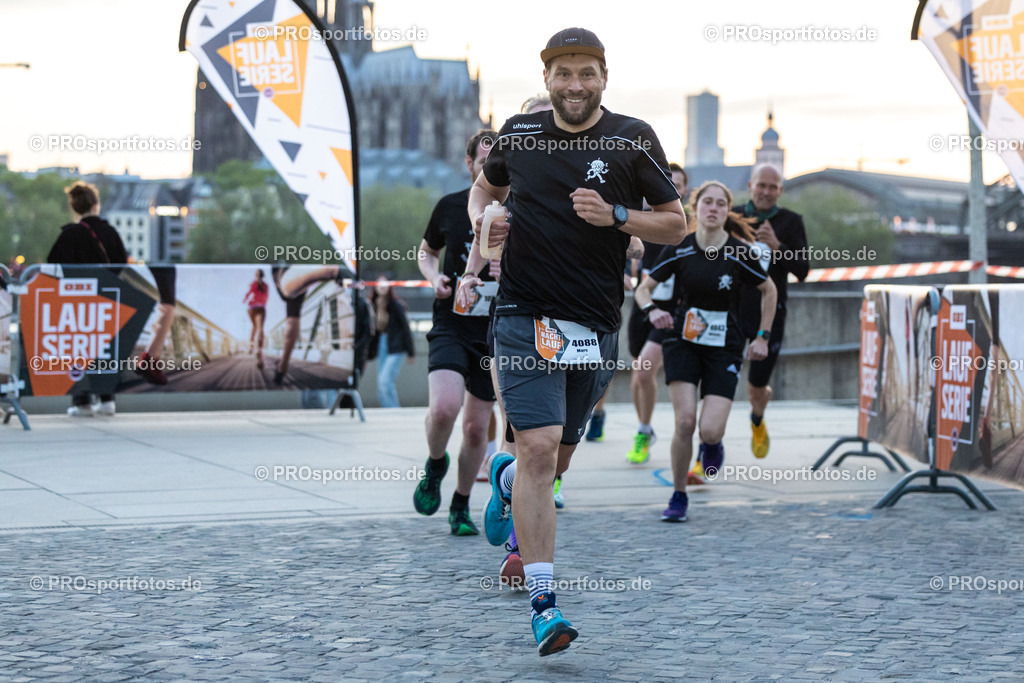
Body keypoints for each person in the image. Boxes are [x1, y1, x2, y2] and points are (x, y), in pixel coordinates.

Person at [458, 28, 685, 656]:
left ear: (604, 77)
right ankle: (544, 604)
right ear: (548, 79)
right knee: (535, 447)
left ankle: (505, 480)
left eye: (587, 73)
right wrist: (484, 220)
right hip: (523, 315)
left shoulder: (632, 138)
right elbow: (485, 189)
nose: (575, 85)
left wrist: (617, 216)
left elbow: (675, 222)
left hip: (594, 326)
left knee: (553, 462)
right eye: (563, 73)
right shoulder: (519, 135)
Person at [635, 181, 777, 523]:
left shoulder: (740, 252)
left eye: (720, 204)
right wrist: (652, 310)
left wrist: (762, 337)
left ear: (727, 211)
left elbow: (769, 290)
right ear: (695, 208)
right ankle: (678, 495)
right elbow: (643, 289)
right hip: (682, 343)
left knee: (710, 430)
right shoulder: (680, 248)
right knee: (685, 422)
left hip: (724, 348)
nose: (713, 208)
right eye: (707, 202)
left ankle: (712, 446)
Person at [412, 129, 498, 536]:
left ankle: (461, 504)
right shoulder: (449, 206)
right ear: (469, 164)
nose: (491, 170)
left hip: (495, 331)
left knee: (476, 428)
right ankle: (435, 463)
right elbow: (426, 251)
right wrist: (434, 278)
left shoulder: (518, 211)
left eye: (498, 164)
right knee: (445, 408)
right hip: (451, 322)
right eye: (483, 163)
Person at [736, 164, 809, 458]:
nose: (765, 192)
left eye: (772, 187)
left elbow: (803, 270)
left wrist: (778, 246)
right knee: (719, 382)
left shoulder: (791, 221)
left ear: (780, 190)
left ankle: (757, 418)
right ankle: (709, 443)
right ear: (751, 186)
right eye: (761, 185)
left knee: (757, 385)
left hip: (770, 316)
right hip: (732, 311)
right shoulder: (733, 216)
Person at [625, 162, 694, 465]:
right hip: (642, 304)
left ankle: (642, 432)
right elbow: (628, 253)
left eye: (677, 185)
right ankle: (646, 427)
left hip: (670, 311)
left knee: (643, 370)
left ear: (685, 191)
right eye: (668, 182)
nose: (672, 188)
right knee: (639, 376)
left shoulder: (687, 226)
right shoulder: (641, 218)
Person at [47, 181, 128, 417]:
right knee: (106, 345)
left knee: (79, 347)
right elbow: (122, 263)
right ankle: (107, 399)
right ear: (96, 205)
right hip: (107, 299)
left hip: (78, 302)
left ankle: (82, 401)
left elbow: (53, 264)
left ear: (75, 207)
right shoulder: (110, 232)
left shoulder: (70, 234)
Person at [367, 274, 415, 407]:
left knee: (385, 381)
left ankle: (394, 411)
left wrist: (411, 352)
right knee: (381, 384)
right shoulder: (372, 305)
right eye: (379, 284)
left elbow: (406, 329)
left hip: (395, 347)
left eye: (385, 284)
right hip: (381, 346)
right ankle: (387, 411)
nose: (382, 287)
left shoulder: (396, 305)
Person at [244, 270, 269, 370]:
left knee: (255, 326)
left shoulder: (254, 284)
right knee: (259, 328)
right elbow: (266, 297)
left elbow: (248, 294)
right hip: (258, 308)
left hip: (253, 308)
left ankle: (252, 347)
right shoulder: (264, 285)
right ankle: (258, 349)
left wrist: (245, 300)